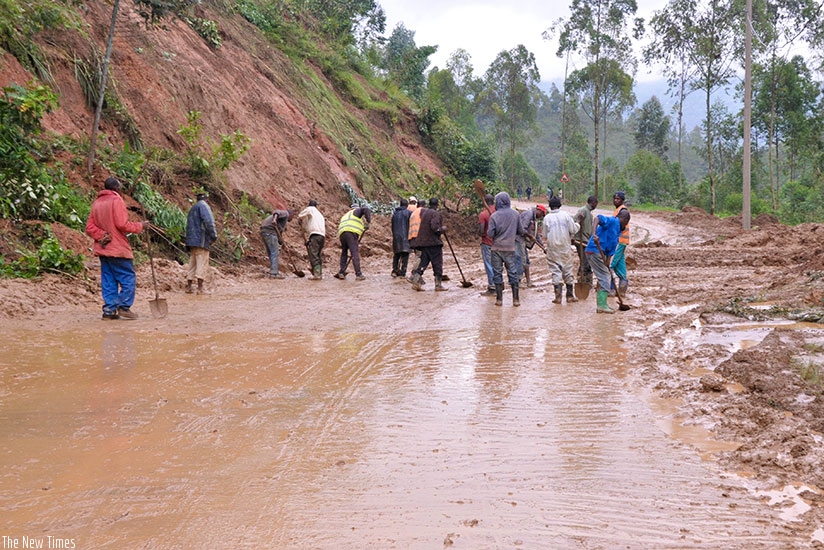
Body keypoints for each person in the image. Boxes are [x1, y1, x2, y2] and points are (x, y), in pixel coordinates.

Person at [85, 176, 149, 320]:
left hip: (103, 249)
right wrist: (140, 226)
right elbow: (122, 224)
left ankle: (109, 311)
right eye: (119, 188)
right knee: (128, 277)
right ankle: (124, 307)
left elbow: (89, 227)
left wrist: (102, 235)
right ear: (116, 188)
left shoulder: (97, 203)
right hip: (117, 248)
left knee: (108, 279)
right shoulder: (116, 200)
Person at [487, 192, 524, 306]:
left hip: (496, 249)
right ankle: (516, 299)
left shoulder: (494, 216)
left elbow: (490, 234)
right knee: (512, 272)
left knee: (497, 273)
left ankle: (499, 299)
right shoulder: (516, 214)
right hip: (510, 248)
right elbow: (521, 231)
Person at [585, 212, 625, 313]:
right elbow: (597, 219)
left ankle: (603, 304)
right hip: (595, 250)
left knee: (606, 275)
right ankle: (601, 306)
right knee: (605, 278)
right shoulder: (613, 221)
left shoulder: (618, 232)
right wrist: (594, 235)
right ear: (624, 219)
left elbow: (611, 250)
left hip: (598, 252)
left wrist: (607, 262)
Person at [543, 196, 580, 304]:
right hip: (565, 248)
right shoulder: (566, 215)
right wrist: (578, 223)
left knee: (555, 271)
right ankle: (569, 296)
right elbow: (573, 229)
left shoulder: (547, 218)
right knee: (568, 271)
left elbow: (545, 235)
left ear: (550, 206)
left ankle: (558, 297)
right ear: (560, 205)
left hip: (552, 249)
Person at [184, 189, 218, 295]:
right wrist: (214, 236)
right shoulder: (204, 206)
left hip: (191, 240)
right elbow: (209, 222)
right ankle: (200, 288)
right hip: (201, 240)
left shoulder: (193, 208)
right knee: (201, 263)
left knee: (192, 263)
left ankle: (189, 287)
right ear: (206, 199)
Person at [409, 198, 447, 291]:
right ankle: (438, 285)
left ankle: (416, 280)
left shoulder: (424, 213)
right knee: (437, 263)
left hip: (423, 243)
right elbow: (434, 227)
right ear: (437, 205)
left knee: (423, 262)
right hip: (433, 243)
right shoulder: (435, 214)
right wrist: (442, 229)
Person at [335, 204, 371, 280]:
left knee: (344, 252)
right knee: (354, 252)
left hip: (342, 233)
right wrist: (368, 222)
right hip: (351, 232)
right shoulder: (356, 211)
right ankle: (358, 274)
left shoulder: (345, 215)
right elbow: (366, 209)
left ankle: (342, 272)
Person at [515, 204, 546, 288]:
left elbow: (536, 235)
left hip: (523, 241)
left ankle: (528, 281)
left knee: (526, 261)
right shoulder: (528, 215)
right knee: (521, 260)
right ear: (538, 210)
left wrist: (543, 247)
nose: (541, 217)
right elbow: (522, 229)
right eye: (542, 214)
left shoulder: (534, 219)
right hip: (518, 240)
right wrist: (530, 236)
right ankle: (518, 281)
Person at [260, 207, 292, 279]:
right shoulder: (286, 214)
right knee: (275, 252)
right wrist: (274, 220)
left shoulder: (281, 223)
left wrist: (284, 245)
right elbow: (277, 212)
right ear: (291, 214)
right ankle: (274, 273)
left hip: (265, 231)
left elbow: (279, 237)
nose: (292, 219)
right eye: (293, 216)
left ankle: (273, 272)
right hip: (270, 231)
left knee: (271, 252)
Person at [298, 199, 326, 280]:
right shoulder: (319, 215)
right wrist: (309, 240)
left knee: (313, 255)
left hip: (315, 235)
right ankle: (319, 273)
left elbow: (301, 215)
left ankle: (317, 275)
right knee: (318, 255)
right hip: (322, 236)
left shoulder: (311, 209)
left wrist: (299, 219)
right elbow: (309, 226)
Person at [574, 195, 598, 285]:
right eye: (596, 204)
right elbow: (575, 220)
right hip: (580, 240)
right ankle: (581, 281)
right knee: (584, 262)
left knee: (587, 261)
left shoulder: (589, 214)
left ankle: (587, 282)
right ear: (593, 203)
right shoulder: (583, 210)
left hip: (586, 241)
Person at [611, 191, 631, 295]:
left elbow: (617, 226)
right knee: (620, 265)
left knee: (610, 265)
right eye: (614, 198)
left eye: (618, 199)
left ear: (622, 200)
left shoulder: (622, 211)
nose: (615, 200)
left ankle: (611, 289)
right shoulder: (618, 210)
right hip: (622, 242)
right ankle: (622, 290)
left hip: (619, 242)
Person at [478, 193, 496, 295]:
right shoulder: (498, 211)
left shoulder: (483, 214)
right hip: (498, 243)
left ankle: (492, 287)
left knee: (489, 265)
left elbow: (481, 231)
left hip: (487, 243)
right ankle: (497, 285)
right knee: (497, 265)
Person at [406, 199, 426, 285]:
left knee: (419, 256)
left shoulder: (413, 213)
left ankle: (418, 277)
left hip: (412, 237)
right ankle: (413, 275)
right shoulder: (422, 211)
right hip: (419, 236)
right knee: (420, 256)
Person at [391, 198, 412, 278]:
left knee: (396, 254)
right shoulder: (409, 213)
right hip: (406, 236)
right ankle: (403, 272)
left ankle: (395, 270)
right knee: (405, 254)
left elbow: (392, 226)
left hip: (396, 236)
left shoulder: (395, 214)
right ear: (407, 205)